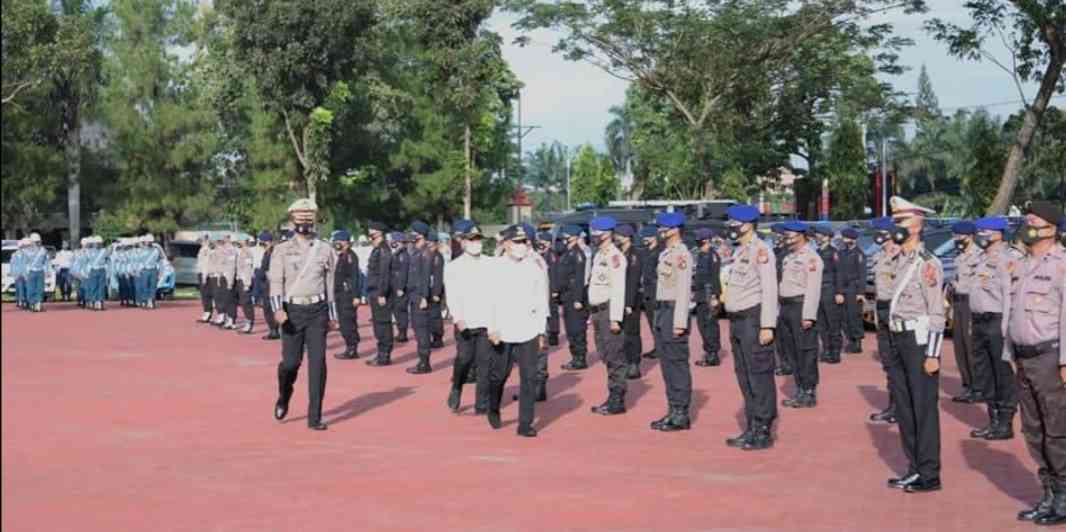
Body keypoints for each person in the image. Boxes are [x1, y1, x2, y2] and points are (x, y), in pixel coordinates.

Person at [1003, 201, 1065, 525]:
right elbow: (1011, 313)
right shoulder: (1023, 263)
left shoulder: (1062, 265)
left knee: (1057, 430)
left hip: (1049, 358)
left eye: (1033, 220)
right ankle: (1048, 495)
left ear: (1051, 228)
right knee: (1033, 430)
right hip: (1024, 359)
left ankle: (1064, 497)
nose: (1027, 225)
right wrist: (1009, 353)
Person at [884, 196, 945, 494]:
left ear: (918, 225)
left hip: (919, 343)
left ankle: (930, 473)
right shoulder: (898, 260)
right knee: (905, 409)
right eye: (896, 221)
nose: (898, 226)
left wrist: (933, 354)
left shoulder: (927, 264)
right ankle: (914, 467)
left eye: (903, 221)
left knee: (923, 408)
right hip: (898, 338)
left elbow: (937, 312)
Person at [269, 198, 337, 432]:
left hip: (317, 311)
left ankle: (314, 416)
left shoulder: (325, 249)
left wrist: (332, 314)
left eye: (309, 217)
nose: (305, 221)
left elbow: (330, 283)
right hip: (292, 311)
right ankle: (284, 395)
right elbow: (276, 281)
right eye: (300, 217)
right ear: (292, 219)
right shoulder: (281, 250)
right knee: (290, 363)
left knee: (318, 363)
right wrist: (278, 309)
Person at [723, 205, 778, 450]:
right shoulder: (740, 252)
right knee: (744, 375)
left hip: (754, 320)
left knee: (759, 376)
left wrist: (767, 325)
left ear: (748, 224)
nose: (732, 228)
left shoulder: (762, 251)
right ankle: (752, 426)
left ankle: (763, 429)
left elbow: (769, 290)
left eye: (736, 224)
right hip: (737, 321)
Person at [486, 225, 549, 437]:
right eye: (517, 242)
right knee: (498, 375)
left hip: (528, 329)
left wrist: (541, 331)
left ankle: (525, 423)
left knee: (529, 377)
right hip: (503, 330)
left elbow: (542, 301)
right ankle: (493, 405)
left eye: (524, 242)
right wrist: (492, 327)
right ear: (507, 244)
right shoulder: (495, 267)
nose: (522, 246)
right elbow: (489, 301)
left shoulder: (535, 267)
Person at [967, 216, 1018, 441]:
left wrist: (1007, 328)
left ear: (998, 233)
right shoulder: (980, 258)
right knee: (984, 372)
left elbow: (1009, 297)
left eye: (986, 232)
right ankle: (993, 419)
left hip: (998, 321)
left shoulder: (1009, 259)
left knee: (1002, 372)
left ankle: (1005, 422)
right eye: (980, 232)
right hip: (979, 321)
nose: (982, 236)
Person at [646, 212, 694, 431]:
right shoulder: (666, 252)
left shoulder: (681, 255)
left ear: (675, 229)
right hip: (663, 311)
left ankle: (681, 413)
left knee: (677, 365)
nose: (660, 230)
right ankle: (673, 409)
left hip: (675, 312)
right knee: (667, 365)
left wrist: (680, 322)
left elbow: (684, 290)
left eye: (663, 227)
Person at [445, 220, 496, 414]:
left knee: (485, 363)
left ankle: (481, 402)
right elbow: (452, 295)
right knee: (464, 359)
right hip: (465, 322)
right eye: (472, 239)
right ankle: (457, 387)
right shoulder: (453, 267)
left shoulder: (491, 263)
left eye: (478, 239)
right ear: (463, 242)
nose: (476, 243)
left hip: (486, 322)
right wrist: (458, 318)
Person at [777, 221, 824, 408]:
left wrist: (809, 315)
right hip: (787, 307)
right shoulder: (789, 257)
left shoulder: (811, 258)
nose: (787, 237)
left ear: (801, 235)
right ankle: (800, 388)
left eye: (790, 234)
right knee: (792, 351)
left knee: (806, 351)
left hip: (801, 307)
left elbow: (813, 288)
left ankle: (809, 391)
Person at [586, 216, 629, 416]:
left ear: (607, 234)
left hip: (608, 311)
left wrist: (615, 318)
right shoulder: (599, 255)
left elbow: (618, 289)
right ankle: (612, 396)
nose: (593, 236)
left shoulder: (615, 257)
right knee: (605, 355)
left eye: (596, 233)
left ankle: (616, 400)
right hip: (597, 312)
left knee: (614, 357)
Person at [869, 217, 900, 424]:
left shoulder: (900, 256)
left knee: (897, 361)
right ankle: (893, 406)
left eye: (879, 232)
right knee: (887, 361)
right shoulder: (879, 255)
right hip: (881, 308)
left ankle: (899, 407)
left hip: (896, 309)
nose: (877, 236)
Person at [950, 221, 980, 403]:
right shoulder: (959, 257)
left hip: (971, 302)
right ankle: (967, 384)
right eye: (955, 236)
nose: (957, 240)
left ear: (970, 237)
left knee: (971, 346)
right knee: (959, 346)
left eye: (960, 236)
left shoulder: (978, 256)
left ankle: (978, 387)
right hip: (958, 303)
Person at [557, 224, 590, 370]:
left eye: (567, 236)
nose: (565, 239)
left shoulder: (577, 254)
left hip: (573, 296)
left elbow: (579, 278)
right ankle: (575, 357)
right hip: (566, 296)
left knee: (576, 329)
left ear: (575, 237)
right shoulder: (568, 252)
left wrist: (577, 299)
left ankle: (580, 359)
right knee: (570, 329)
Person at [406, 221, 436, 374]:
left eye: (414, 232)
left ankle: (424, 363)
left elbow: (426, 277)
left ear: (420, 235)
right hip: (414, 295)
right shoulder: (417, 251)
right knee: (418, 330)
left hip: (419, 296)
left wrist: (424, 296)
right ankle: (422, 361)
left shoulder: (425, 253)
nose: (411, 235)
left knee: (422, 330)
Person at [616, 224, 643, 379]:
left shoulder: (634, 254)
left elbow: (633, 280)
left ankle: (634, 363)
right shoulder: (620, 253)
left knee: (632, 332)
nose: (616, 238)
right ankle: (625, 360)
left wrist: (629, 303)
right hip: (620, 298)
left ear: (627, 237)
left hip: (630, 299)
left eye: (619, 235)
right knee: (622, 333)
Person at [813, 225, 843, 364]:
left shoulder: (833, 252)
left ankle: (835, 352)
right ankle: (826, 350)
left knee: (833, 323)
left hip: (830, 290)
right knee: (821, 324)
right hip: (818, 291)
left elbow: (839, 273)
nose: (816, 237)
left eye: (819, 235)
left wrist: (839, 292)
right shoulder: (817, 252)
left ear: (826, 237)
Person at [366, 222, 395, 366]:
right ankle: (381, 353)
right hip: (374, 290)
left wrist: (382, 293)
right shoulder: (377, 248)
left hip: (380, 292)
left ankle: (384, 355)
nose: (369, 231)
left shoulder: (383, 249)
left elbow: (385, 273)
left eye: (372, 229)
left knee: (383, 323)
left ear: (379, 232)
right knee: (378, 324)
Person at [693, 228, 723, 367]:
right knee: (701, 325)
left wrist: (715, 296)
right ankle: (708, 352)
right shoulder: (701, 255)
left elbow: (715, 277)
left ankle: (712, 354)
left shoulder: (712, 255)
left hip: (708, 293)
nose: (699, 243)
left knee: (709, 325)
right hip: (700, 294)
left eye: (701, 240)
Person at [332, 230, 363, 360]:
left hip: (348, 294)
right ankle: (349, 347)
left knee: (348, 322)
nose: (336, 243)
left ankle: (352, 349)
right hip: (341, 293)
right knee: (344, 322)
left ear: (346, 242)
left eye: (339, 241)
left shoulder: (350, 256)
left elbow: (355, 277)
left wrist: (356, 295)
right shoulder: (342, 255)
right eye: (335, 241)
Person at [838, 227, 867, 354]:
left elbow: (862, 274)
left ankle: (857, 342)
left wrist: (861, 292)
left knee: (854, 316)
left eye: (846, 237)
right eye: (844, 237)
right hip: (844, 288)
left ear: (853, 239)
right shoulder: (842, 252)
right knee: (844, 317)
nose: (844, 240)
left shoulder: (859, 254)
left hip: (854, 288)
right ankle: (850, 339)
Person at [771, 223, 793, 376]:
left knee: (787, 334)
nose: (776, 238)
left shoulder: (788, 254)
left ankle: (789, 363)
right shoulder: (775, 252)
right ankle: (784, 362)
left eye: (778, 235)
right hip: (776, 296)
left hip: (786, 297)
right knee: (779, 333)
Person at [639, 224, 660, 359]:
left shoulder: (659, 252)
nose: (644, 239)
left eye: (647, 236)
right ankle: (657, 346)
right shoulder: (646, 251)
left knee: (658, 322)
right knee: (651, 320)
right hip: (646, 291)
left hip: (656, 290)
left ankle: (661, 347)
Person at [539, 232, 562, 346]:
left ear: (547, 242)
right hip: (544, 287)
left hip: (550, 288)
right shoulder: (543, 254)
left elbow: (554, 273)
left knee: (552, 312)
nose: (540, 244)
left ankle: (554, 334)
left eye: (542, 241)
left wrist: (554, 290)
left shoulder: (551, 255)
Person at [257, 232, 281, 340]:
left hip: (272, 284)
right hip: (265, 284)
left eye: (264, 243)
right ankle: (273, 330)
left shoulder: (274, 252)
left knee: (274, 308)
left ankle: (277, 330)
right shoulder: (266, 252)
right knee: (267, 308)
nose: (263, 245)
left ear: (270, 242)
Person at [390, 231, 411, 343]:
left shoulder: (403, 255)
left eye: (394, 240)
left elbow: (403, 272)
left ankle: (403, 333)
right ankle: (400, 331)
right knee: (396, 310)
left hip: (400, 286)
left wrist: (401, 288)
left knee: (400, 310)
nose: (392, 242)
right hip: (395, 284)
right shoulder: (397, 253)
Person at [214, 235, 238, 329]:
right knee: (225, 299)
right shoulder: (223, 249)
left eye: (225, 238)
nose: (223, 240)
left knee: (230, 300)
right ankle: (228, 319)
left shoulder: (231, 250)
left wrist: (230, 282)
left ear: (229, 239)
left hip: (229, 277)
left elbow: (231, 267)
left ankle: (232, 320)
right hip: (223, 276)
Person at [427, 232, 447, 348]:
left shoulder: (437, 257)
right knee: (430, 315)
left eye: (431, 243)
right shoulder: (430, 254)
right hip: (429, 288)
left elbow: (438, 276)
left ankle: (438, 338)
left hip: (435, 289)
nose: (429, 245)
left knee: (435, 315)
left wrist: (436, 292)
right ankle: (434, 336)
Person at [234, 235, 256, 333]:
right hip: (240, 279)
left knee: (246, 302)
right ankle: (247, 321)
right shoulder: (242, 251)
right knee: (243, 302)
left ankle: (249, 322)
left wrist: (247, 283)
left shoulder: (247, 252)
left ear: (244, 241)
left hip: (244, 280)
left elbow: (247, 268)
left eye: (240, 240)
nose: (238, 241)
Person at [24, 233, 49, 312]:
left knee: (40, 289)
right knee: (31, 289)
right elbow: (25, 262)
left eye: (38, 241)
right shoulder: (27, 251)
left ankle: (38, 304)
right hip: (31, 272)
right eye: (36, 242)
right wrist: (25, 272)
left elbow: (46, 262)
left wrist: (47, 271)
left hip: (40, 271)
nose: (37, 243)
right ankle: (32, 304)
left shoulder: (43, 250)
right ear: (32, 242)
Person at [197, 234, 215, 323]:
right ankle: (206, 312)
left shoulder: (206, 250)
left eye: (202, 240)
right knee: (204, 295)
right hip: (202, 273)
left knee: (206, 295)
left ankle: (208, 313)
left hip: (205, 274)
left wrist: (204, 276)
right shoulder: (203, 249)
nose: (200, 242)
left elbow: (206, 264)